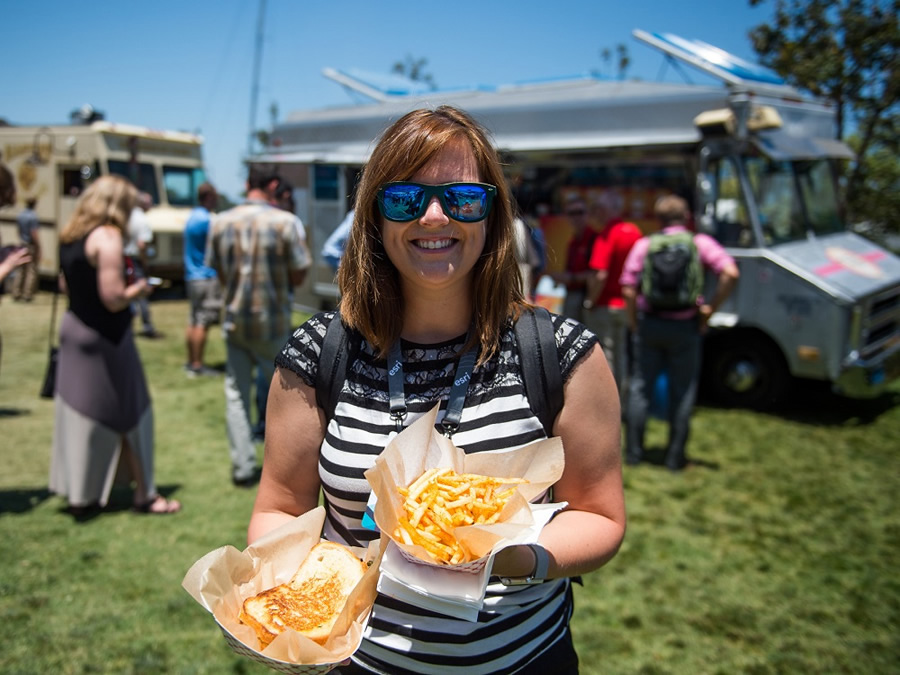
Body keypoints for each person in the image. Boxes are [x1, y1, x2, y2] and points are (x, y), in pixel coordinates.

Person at [248, 106, 625, 673]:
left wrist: (502, 558)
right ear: (373, 216)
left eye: (462, 198)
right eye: (403, 198)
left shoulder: (563, 353)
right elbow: (278, 506)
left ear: (492, 215)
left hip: (524, 661)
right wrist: (301, 597)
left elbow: (601, 517)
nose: (432, 217)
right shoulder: (316, 353)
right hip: (362, 663)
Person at [49, 175, 181, 515]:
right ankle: (145, 495)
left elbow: (66, 285)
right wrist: (140, 288)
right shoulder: (107, 236)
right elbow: (113, 298)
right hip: (106, 336)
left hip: (75, 328)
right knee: (135, 410)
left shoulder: (70, 235)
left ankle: (81, 494)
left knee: (81, 413)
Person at [207, 168, 311, 487]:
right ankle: (281, 470)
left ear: (247, 184)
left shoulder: (220, 222)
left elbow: (218, 271)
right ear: (274, 186)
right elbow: (299, 272)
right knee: (281, 398)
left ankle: (242, 467)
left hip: (236, 321)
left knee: (236, 394)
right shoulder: (285, 222)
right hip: (273, 322)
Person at [620, 194, 740, 471]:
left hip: (649, 323)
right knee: (683, 392)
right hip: (686, 326)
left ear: (659, 219)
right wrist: (710, 308)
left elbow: (628, 287)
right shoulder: (699, 243)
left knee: (640, 388)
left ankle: (634, 455)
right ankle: (675, 459)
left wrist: (634, 323)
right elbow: (730, 273)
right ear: (687, 217)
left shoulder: (645, 245)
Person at [583, 191, 643, 397]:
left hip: (605, 306)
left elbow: (600, 274)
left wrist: (590, 300)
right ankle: (624, 403)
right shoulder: (634, 232)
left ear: (610, 209)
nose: (596, 212)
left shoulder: (607, 234)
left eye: (600, 208)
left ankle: (608, 406)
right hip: (626, 306)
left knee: (605, 359)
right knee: (622, 358)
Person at [182, 181, 222, 377]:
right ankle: (198, 365)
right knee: (202, 322)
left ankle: (190, 361)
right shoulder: (208, 220)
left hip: (191, 276)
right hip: (205, 277)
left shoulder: (191, 217)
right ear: (208, 198)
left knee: (193, 319)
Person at [550, 194, 596, 323]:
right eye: (572, 213)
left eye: (580, 212)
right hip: (571, 295)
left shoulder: (594, 239)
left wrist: (571, 278)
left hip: (587, 298)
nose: (576, 217)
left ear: (588, 214)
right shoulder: (573, 242)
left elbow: (597, 275)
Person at [125, 192, 160, 338]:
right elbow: (141, 245)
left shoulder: (127, 216)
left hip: (124, 259)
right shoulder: (143, 221)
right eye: (150, 202)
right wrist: (145, 263)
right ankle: (147, 327)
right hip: (135, 260)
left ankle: (128, 326)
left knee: (128, 294)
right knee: (141, 292)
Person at [12, 196, 41, 302]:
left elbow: (18, 230)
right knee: (31, 270)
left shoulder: (21, 215)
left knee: (20, 270)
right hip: (30, 245)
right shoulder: (33, 217)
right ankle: (27, 294)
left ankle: (16, 292)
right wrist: (38, 246)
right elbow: (34, 234)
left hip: (22, 243)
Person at [321, 209, 353, 274]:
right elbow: (350, 239)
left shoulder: (352, 215)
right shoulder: (355, 216)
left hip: (332, 252)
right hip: (333, 253)